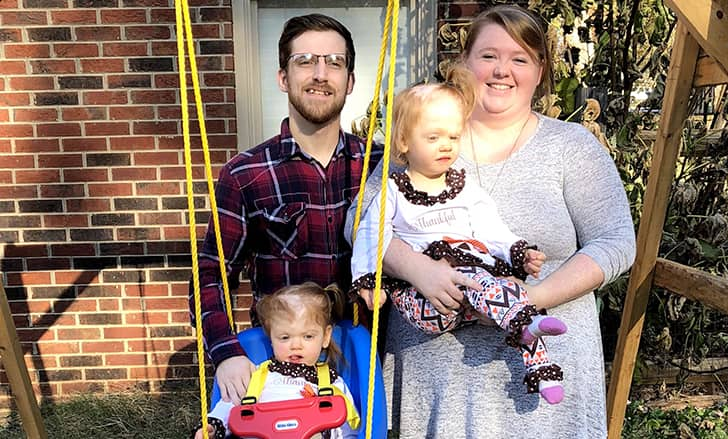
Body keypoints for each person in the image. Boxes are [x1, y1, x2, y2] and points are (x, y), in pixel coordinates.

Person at [346, 5, 636, 437]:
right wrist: (418, 269)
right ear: (464, 64)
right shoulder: (426, 135)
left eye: (520, 59)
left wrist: (532, 298)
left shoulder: (570, 146)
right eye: (488, 56)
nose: (503, 70)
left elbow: (615, 242)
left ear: (540, 72)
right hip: (438, 382)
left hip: (543, 395)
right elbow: (359, 222)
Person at [189, 13, 381, 408]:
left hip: (367, 358)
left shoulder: (379, 167)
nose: (321, 74)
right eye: (305, 61)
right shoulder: (246, 175)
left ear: (350, 81)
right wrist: (225, 353)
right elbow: (211, 274)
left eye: (335, 62)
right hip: (282, 368)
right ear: (282, 77)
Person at [347, 66, 568, 404]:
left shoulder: (463, 186)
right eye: (433, 137)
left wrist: (517, 251)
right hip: (426, 300)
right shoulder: (393, 190)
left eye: (453, 136)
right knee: (481, 286)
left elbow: (489, 226)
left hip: (472, 290)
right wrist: (366, 280)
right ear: (404, 141)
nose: (446, 146)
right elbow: (369, 233)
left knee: (501, 287)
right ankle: (522, 325)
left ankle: (536, 356)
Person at [192, 282, 360, 439]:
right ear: (271, 338)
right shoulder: (258, 376)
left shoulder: (331, 383)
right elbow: (230, 406)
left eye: (308, 336)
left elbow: (348, 426)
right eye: (285, 337)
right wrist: (213, 425)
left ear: (326, 336)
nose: (296, 345)